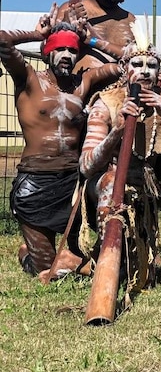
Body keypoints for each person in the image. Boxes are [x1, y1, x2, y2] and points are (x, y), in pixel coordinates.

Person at [0, 17, 121, 279]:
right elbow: (2, 39)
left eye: (72, 50)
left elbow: (128, 63)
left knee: (81, 260)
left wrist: (90, 39)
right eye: (59, 49)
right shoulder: (29, 78)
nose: (66, 55)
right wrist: (37, 33)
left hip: (71, 184)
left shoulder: (84, 82)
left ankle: (62, 255)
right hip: (34, 183)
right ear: (47, 52)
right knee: (48, 271)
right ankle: (29, 252)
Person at [80, 35, 161, 293]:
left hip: (144, 188)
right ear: (124, 68)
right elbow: (86, 166)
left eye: (151, 65)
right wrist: (116, 132)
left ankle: (131, 258)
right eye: (137, 64)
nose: (144, 71)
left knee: (144, 276)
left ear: (159, 71)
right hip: (105, 185)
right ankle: (105, 257)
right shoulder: (106, 102)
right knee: (110, 186)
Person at [57, 0, 136, 72]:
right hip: (79, 87)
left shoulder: (130, 19)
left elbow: (139, 57)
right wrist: (67, 24)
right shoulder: (70, 10)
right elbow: (47, 53)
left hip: (121, 88)